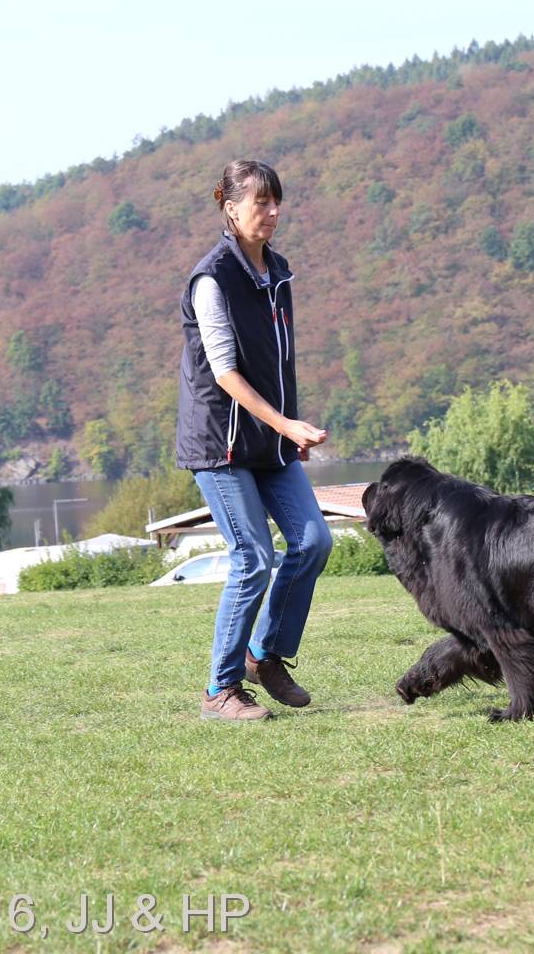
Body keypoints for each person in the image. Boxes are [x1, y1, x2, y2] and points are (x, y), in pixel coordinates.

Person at [178, 159, 332, 721]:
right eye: (260, 202)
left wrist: (289, 427)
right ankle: (220, 690)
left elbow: (275, 364)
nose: (272, 212)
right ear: (231, 208)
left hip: (269, 442)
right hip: (220, 443)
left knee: (313, 541)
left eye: (276, 202)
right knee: (253, 556)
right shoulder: (212, 279)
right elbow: (225, 373)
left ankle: (264, 656)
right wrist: (286, 424)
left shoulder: (278, 273)